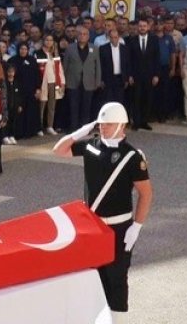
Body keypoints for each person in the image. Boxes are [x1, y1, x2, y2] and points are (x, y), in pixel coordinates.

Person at [52, 103, 153, 316]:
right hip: (94, 225)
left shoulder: (132, 156)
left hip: (119, 227)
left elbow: (146, 194)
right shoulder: (91, 146)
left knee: (116, 279)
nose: (103, 127)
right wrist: (78, 133)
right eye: (102, 123)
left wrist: (137, 226)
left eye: (109, 124)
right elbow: (58, 150)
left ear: (121, 125)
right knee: (93, 278)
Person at [63, 27, 101, 128]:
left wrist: (97, 81)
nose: (82, 36)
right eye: (80, 34)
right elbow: (65, 66)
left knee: (86, 107)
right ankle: (74, 127)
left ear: (88, 36)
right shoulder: (70, 48)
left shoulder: (94, 48)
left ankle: (85, 128)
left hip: (89, 82)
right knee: (73, 106)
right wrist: (64, 81)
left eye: (85, 34)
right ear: (76, 35)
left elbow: (98, 66)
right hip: (73, 81)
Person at [126, 19, 159, 131]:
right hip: (136, 76)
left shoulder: (154, 40)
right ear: (137, 28)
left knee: (147, 99)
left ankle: (144, 122)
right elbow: (128, 59)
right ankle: (136, 122)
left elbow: (157, 58)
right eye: (140, 26)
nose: (142, 28)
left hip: (150, 76)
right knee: (136, 99)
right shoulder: (132, 40)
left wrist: (156, 75)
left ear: (148, 27)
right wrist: (129, 75)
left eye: (144, 26)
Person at [35, 35, 65, 135]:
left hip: (53, 82)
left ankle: (50, 126)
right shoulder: (38, 53)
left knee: (52, 105)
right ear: (43, 41)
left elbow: (59, 69)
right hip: (42, 82)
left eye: (51, 40)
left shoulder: (55, 54)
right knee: (41, 105)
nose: (49, 42)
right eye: (47, 40)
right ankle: (39, 127)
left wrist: (62, 83)